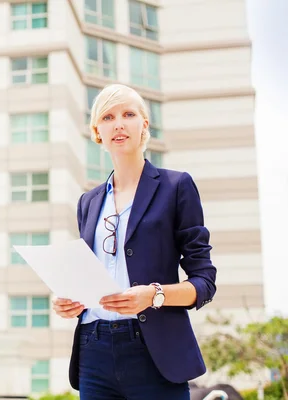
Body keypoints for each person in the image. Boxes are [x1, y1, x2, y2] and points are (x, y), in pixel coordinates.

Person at [52, 84, 217, 399]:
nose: (119, 123)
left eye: (128, 114)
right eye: (108, 116)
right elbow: (90, 277)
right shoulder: (88, 202)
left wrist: (153, 296)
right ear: (97, 131)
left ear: (144, 125)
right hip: (93, 348)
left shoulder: (176, 186)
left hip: (154, 350)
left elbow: (204, 282)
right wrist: (71, 301)